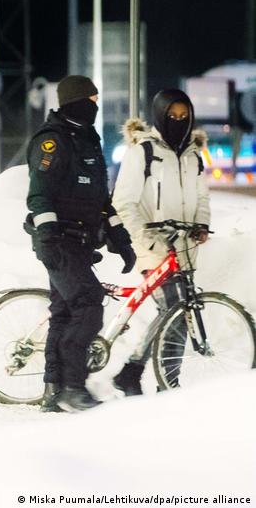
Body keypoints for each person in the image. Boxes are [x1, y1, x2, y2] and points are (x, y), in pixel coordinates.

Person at [26, 75, 136, 412]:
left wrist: (121, 240)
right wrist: (48, 237)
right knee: (89, 303)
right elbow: (39, 195)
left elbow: (101, 200)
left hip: (82, 241)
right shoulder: (53, 142)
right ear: (74, 101)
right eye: (91, 99)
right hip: (60, 241)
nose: (95, 105)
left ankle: (53, 390)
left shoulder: (87, 140)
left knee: (64, 314)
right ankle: (73, 387)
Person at [111, 89, 210, 394]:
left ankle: (146, 374)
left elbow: (202, 196)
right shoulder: (143, 151)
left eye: (184, 116)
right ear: (159, 115)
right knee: (175, 311)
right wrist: (147, 240)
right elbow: (123, 202)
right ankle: (158, 380)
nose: (178, 121)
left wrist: (202, 224)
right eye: (172, 116)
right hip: (151, 245)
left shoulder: (193, 154)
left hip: (183, 247)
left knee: (179, 313)